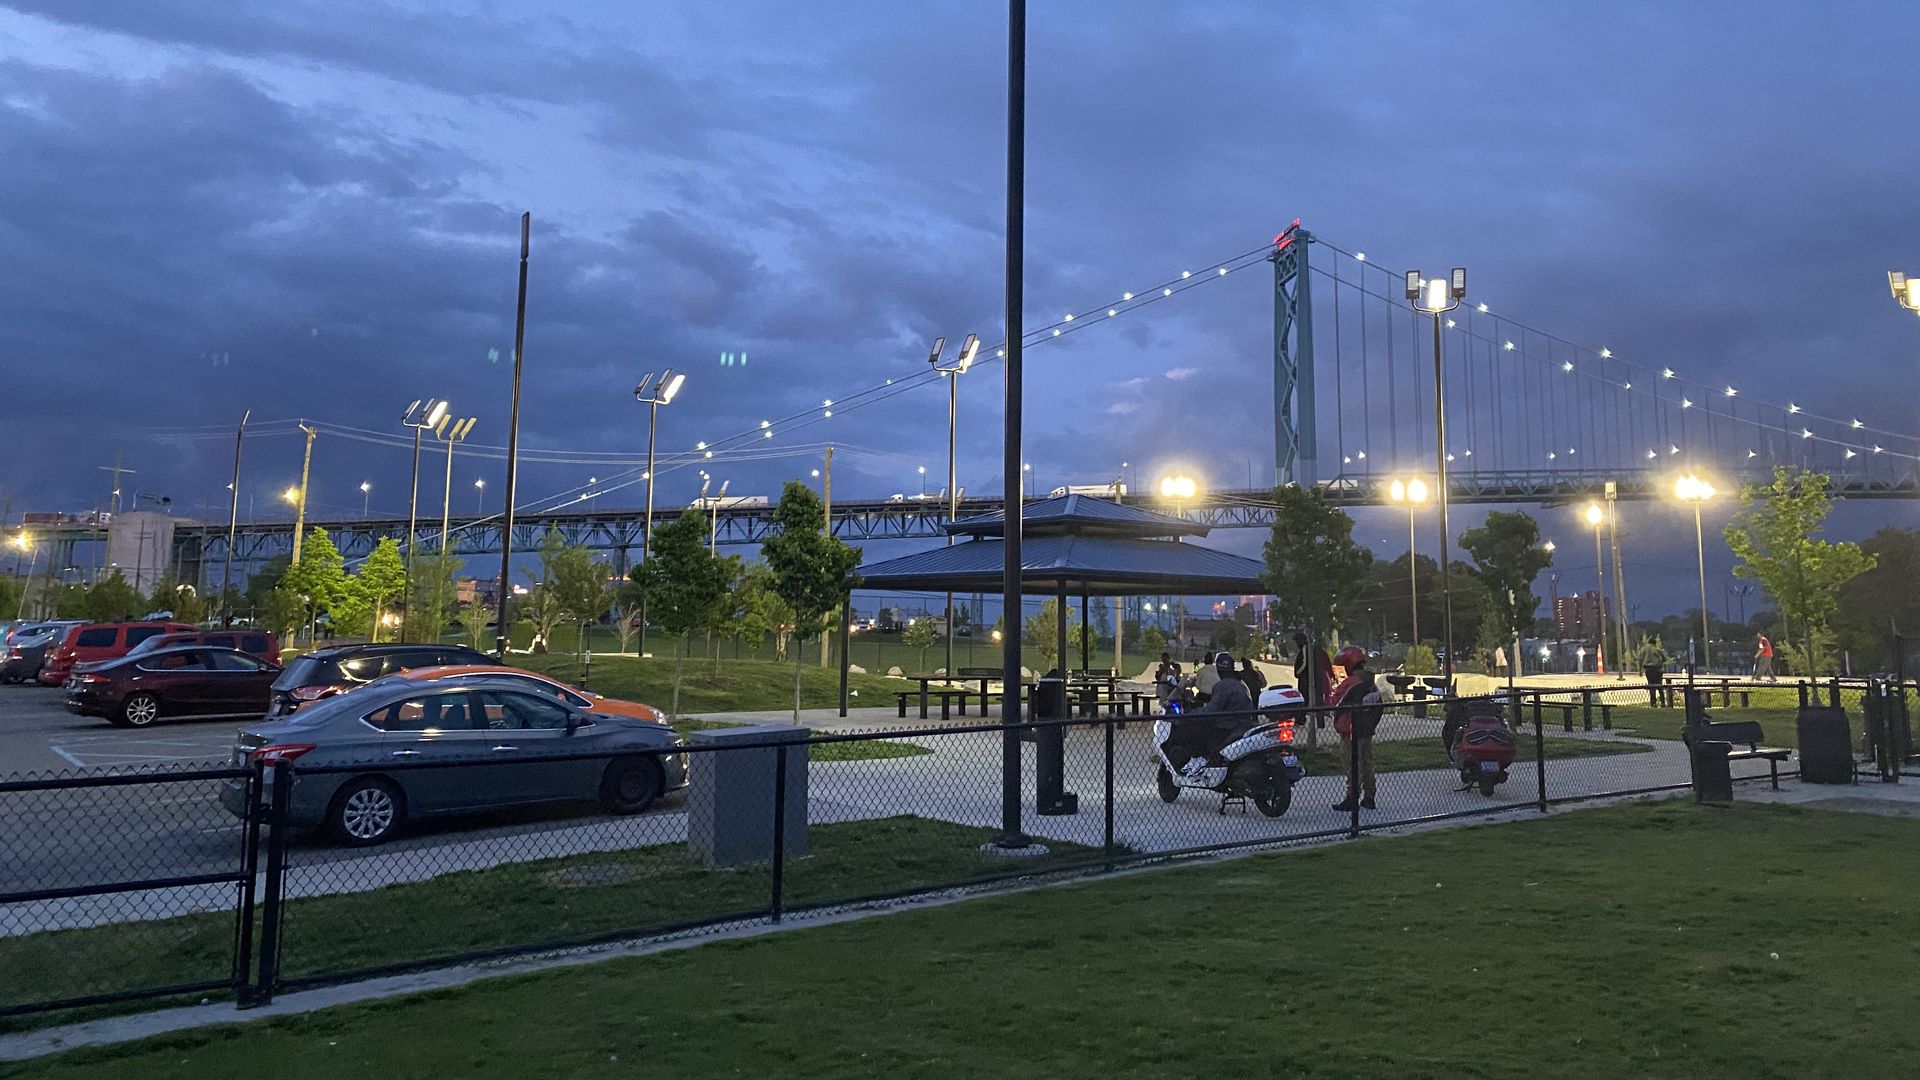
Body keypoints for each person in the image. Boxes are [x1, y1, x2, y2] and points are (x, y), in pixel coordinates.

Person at [1328, 645, 1382, 812]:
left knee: (1352, 764)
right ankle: (1369, 797)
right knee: (1367, 763)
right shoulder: (1370, 682)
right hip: (1366, 729)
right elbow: (1378, 706)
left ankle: (1352, 797)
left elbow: (1334, 703)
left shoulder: (1351, 683)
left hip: (1350, 730)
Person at [1292, 631, 1333, 718]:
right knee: (1306, 698)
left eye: (1297, 641)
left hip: (1305, 679)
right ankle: (1303, 716)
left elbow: (1305, 663)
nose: (1296, 644)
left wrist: (1298, 672)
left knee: (1305, 698)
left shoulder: (1305, 648)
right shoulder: (1306, 648)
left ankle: (1302, 717)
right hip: (1305, 678)